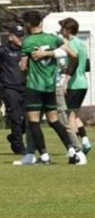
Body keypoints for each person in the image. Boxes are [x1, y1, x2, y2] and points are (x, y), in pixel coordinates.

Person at [15, 10, 79, 165]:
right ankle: (71, 150)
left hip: (34, 86)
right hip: (51, 86)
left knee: (34, 121)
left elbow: (23, 67)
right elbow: (73, 54)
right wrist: (51, 54)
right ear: (41, 23)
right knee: (54, 120)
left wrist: (26, 63)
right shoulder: (54, 38)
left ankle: (44, 156)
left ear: (28, 25)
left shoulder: (28, 42)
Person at [59, 18, 91, 158]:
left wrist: (66, 79)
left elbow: (74, 60)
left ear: (68, 30)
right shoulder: (82, 43)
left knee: (69, 116)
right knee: (75, 114)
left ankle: (74, 147)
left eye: (62, 29)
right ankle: (84, 141)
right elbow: (87, 65)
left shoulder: (71, 44)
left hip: (75, 84)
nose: (61, 31)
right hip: (83, 82)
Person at [0, 25, 27, 155]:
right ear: (10, 37)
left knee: (28, 119)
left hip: (25, 87)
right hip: (9, 88)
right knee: (15, 118)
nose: (21, 38)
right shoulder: (2, 51)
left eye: (22, 36)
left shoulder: (26, 50)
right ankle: (18, 146)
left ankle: (15, 136)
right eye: (18, 36)